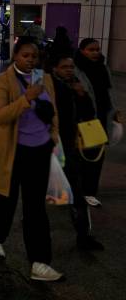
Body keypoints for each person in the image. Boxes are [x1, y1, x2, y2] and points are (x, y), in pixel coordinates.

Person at [0, 38, 62, 281]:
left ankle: (40, 262)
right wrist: (26, 99)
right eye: (25, 55)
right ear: (15, 56)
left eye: (34, 56)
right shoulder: (2, 81)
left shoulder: (46, 80)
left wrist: (53, 137)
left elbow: (54, 111)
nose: (30, 60)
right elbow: (0, 115)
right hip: (12, 150)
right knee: (4, 197)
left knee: (35, 208)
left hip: (40, 150)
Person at [50, 54, 104, 250]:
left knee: (75, 191)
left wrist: (82, 95)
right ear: (55, 68)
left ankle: (83, 234)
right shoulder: (50, 85)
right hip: (51, 146)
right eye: (64, 67)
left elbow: (89, 114)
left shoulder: (75, 85)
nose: (69, 70)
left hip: (68, 147)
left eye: (71, 67)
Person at [74, 38, 120, 207]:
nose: (95, 52)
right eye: (91, 49)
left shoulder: (103, 68)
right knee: (82, 157)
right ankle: (79, 191)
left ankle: (89, 192)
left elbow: (109, 91)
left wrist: (114, 111)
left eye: (97, 49)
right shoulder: (75, 69)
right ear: (82, 51)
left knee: (95, 157)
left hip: (101, 117)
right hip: (85, 119)